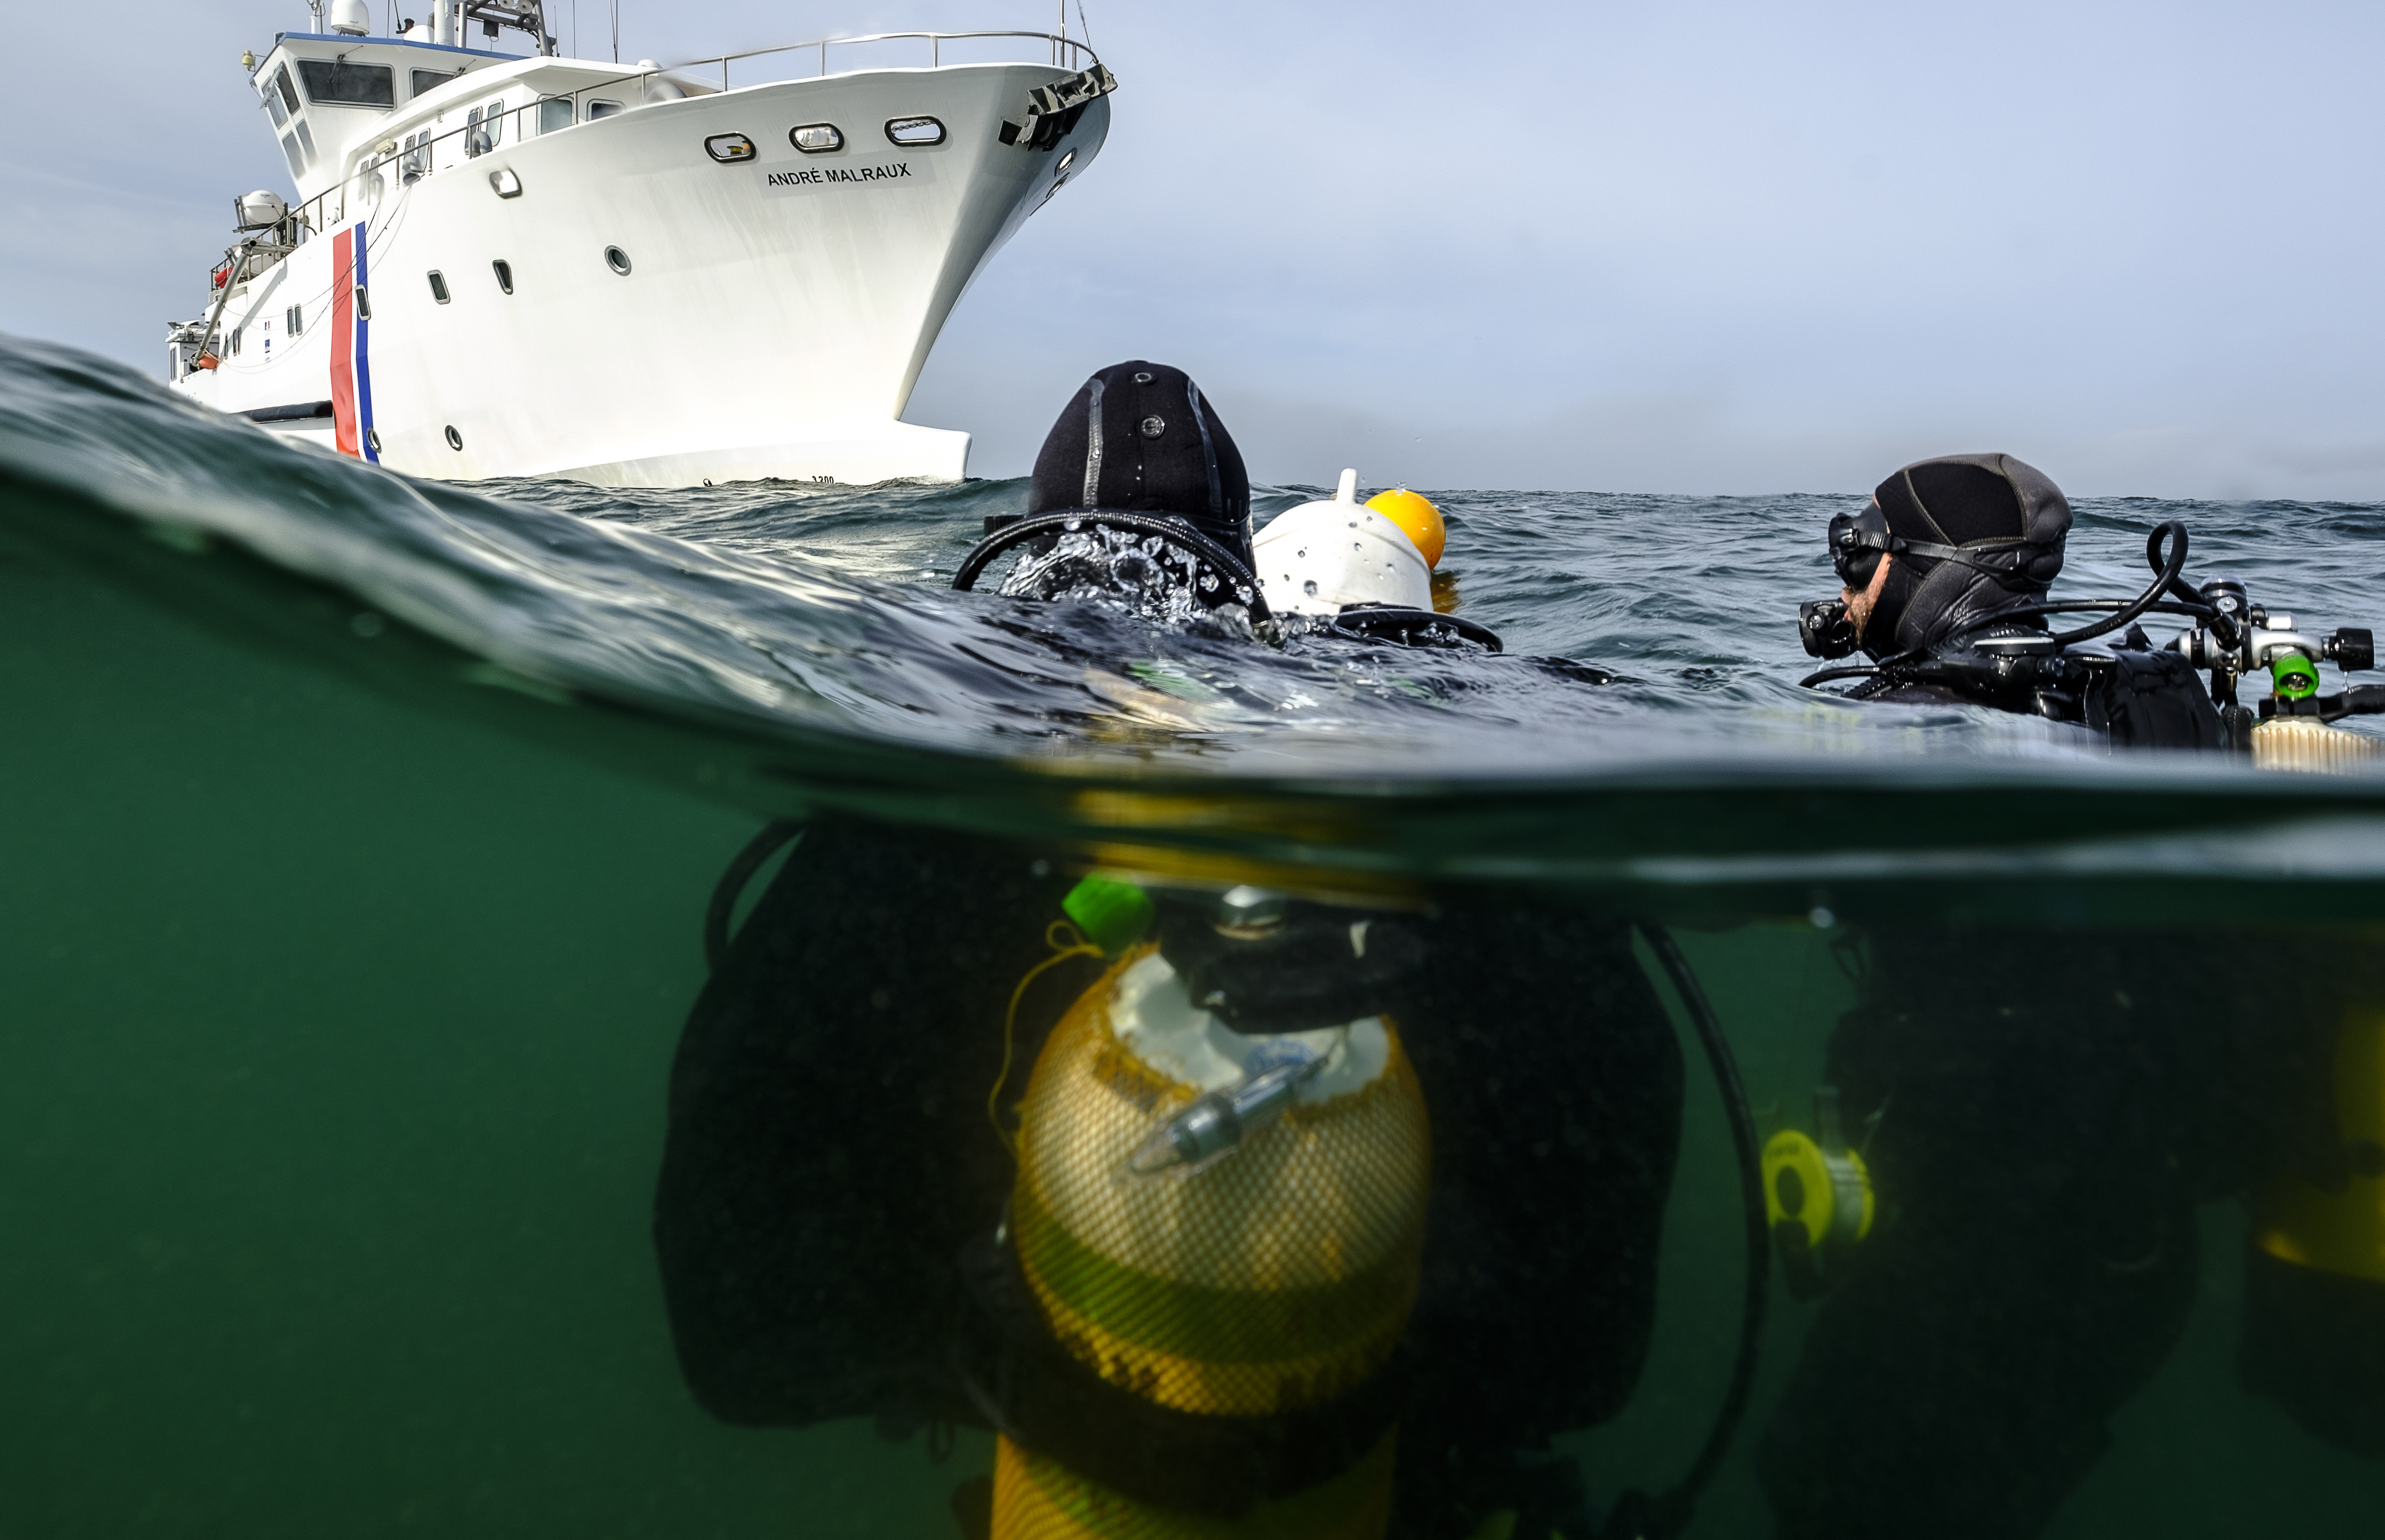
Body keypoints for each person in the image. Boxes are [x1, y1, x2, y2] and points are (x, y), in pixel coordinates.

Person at [654, 362, 1684, 1540]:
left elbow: (740, 1335)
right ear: (1256, 606)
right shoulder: (1467, 864)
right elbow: (1587, 1357)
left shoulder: (893, 853)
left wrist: (1029, 1377)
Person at [1760, 453, 2385, 1538]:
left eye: (1856, 552)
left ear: (1929, 573)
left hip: (2012, 1274)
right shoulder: (2126, 707)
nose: (1844, 582)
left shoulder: (1910, 731)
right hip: (2116, 1264)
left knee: (1830, 1491)